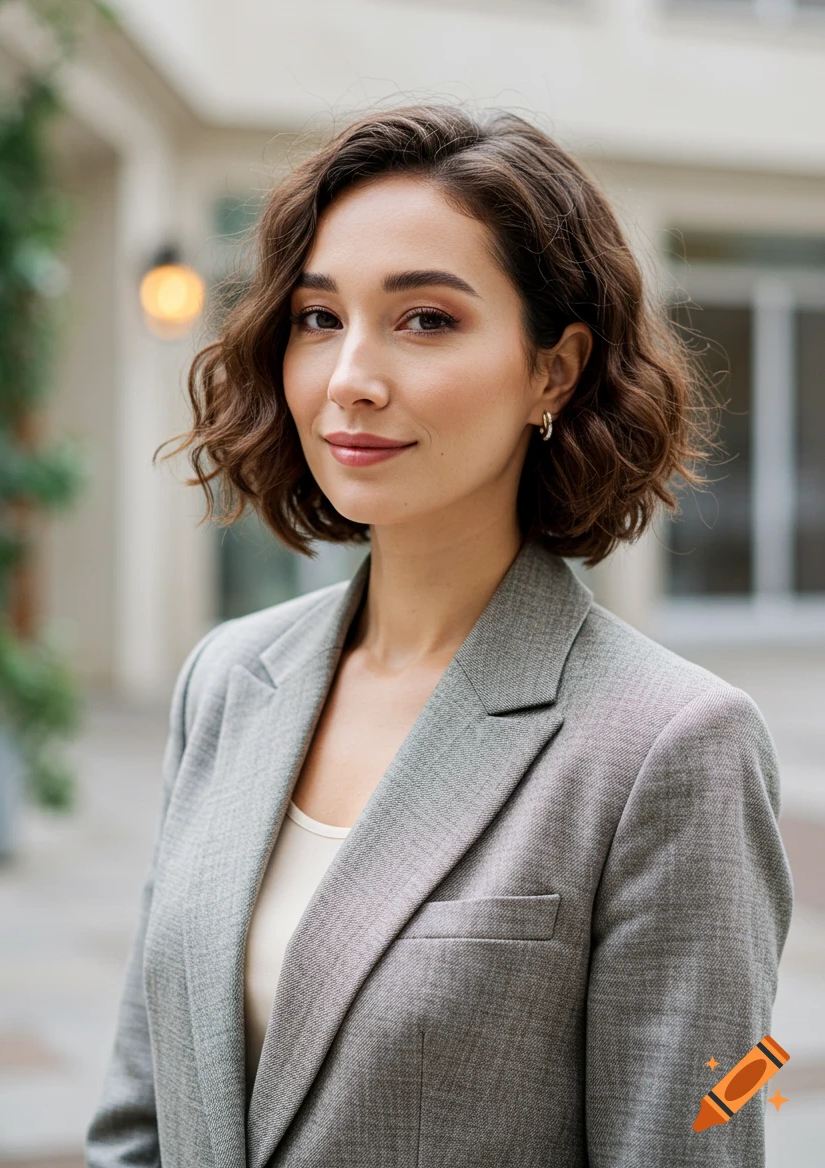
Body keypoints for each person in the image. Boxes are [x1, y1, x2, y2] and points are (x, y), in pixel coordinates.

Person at [85, 103, 793, 1168]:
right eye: (319, 318)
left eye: (424, 319)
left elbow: (692, 1128)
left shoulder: (668, 744)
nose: (349, 377)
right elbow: (142, 1112)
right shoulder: (229, 679)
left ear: (550, 371)